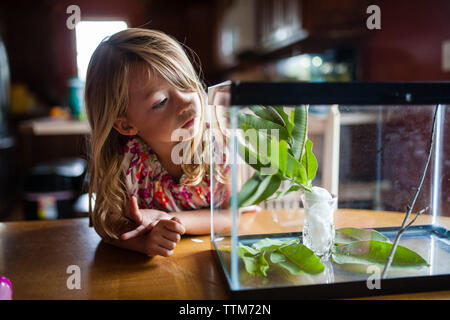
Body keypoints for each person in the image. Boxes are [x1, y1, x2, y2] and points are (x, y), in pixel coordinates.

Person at [84, 28, 242, 258]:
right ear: (126, 125)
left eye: (186, 84)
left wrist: (168, 220)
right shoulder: (123, 159)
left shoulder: (220, 142)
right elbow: (106, 223)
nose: (186, 102)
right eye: (161, 102)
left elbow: (231, 216)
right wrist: (144, 243)